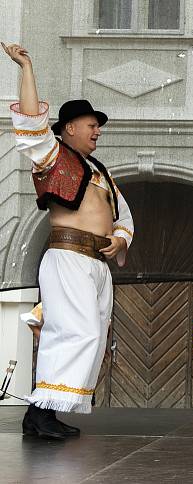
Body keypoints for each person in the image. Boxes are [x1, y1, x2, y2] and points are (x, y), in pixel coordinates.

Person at [5, 43, 134, 440]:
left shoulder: (101, 172)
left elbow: (124, 216)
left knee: (91, 333)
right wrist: (27, 67)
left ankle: (47, 413)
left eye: (98, 125)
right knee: (78, 333)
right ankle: (41, 413)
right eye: (91, 124)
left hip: (96, 264)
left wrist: (119, 239)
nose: (97, 130)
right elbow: (29, 125)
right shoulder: (53, 154)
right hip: (68, 258)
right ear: (69, 129)